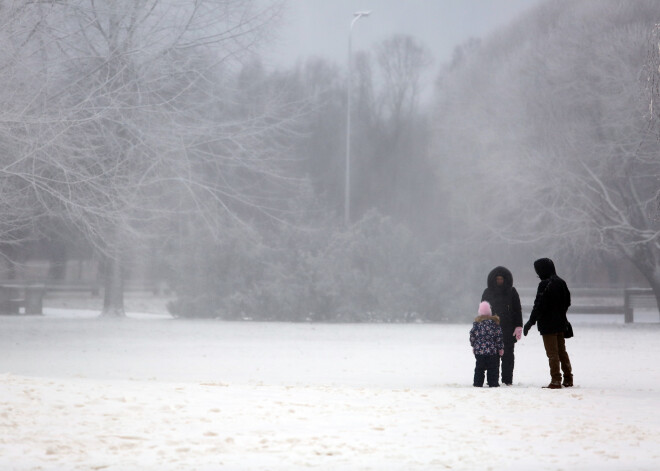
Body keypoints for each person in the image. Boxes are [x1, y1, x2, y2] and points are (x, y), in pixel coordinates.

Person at [523, 258, 573, 389]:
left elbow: (539, 305)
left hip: (548, 325)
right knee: (562, 352)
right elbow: (567, 301)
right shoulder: (561, 282)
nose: (538, 274)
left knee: (552, 353)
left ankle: (556, 380)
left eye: (538, 271)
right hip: (561, 323)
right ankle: (568, 378)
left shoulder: (545, 284)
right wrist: (560, 313)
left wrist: (530, 322)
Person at [481, 266, 523, 386]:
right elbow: (483, 311)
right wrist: (483, 327)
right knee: (493, 356)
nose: (499, 281)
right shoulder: (487, 292)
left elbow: (517, 310)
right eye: (497, 279)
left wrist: (518, 326)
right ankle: (493, 380)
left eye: (501, 279)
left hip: (508, 329)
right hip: (492, 329)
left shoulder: (512, 292)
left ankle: (507, 380)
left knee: (508, 356)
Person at [470, 301, 504, 388]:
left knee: (479, 369)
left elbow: (472, 336)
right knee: (493, 368)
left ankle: (477, 383)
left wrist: (474, 346)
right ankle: (493, 383)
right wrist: (500, 348)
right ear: (490, 312)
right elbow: (499, 337)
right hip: (492, 351)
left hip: (479, 352)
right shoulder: (494, 324)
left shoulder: (477, 324)